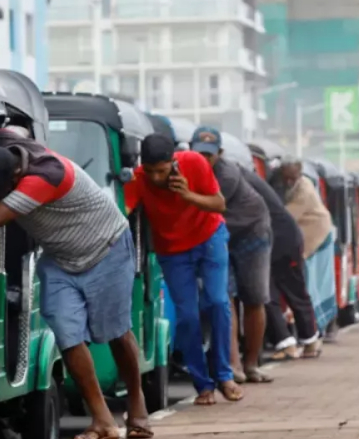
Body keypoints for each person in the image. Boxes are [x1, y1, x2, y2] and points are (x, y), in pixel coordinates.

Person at [0, 131, 153, 439]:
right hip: (61, 259)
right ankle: (103, 420)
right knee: (67, 336)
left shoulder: (44, 177)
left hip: (108, 248)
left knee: (117, 332)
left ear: (16, 175)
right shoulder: (10, 149)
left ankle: (136, 402)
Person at [124, 133, 242, 406]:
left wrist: (187, 194)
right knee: (187, 316)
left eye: (162, 171)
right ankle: (203, 384)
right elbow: (124, 211)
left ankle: (224, 375)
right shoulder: (139, 178)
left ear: (173, 162)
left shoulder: (195, 162)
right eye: (150, 171)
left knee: (217, 302)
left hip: (209, 237)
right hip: (172, 250)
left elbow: (219, 203)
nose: (155, 178)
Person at [189, 128, 273, 385]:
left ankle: (251, 364)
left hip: (251, 234)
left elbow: (205, 209)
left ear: (220, 154)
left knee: (254, 298)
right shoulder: (183, 168)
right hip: (220, 235)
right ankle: (232, 366)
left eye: (209, 155)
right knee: (224, 298)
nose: (203, 160)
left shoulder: (226, 174)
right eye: (198, 154)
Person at [243, 169, 322, 360]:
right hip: (281, 238)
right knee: (281, 292)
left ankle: (293, 342)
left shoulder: (237, 179)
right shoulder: (247, 176)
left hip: (282, 241)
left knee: (274, 291)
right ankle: (303, 341)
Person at [275, 157, 338, 335]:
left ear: (299, 174)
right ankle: (318, 326)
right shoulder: (296, 184)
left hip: (317, 235)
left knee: (314, 284)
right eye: (285, 177)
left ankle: (318, 326)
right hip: (309, 234)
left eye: (291, 178)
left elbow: (284, 217)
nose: (288, 181)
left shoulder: (304, 190)